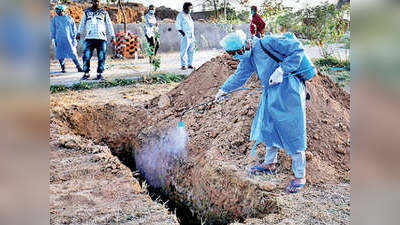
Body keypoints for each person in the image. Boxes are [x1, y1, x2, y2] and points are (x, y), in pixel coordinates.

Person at [215, 30, 316, 193]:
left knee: (293, 130)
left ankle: (299, 175)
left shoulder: (267, 42)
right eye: (231, 55)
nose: (235, 57)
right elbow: (240, 75)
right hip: (271, 91)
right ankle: (270, 163)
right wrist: (224, 90)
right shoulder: (249, 57)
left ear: (243, 46)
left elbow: (296, 49)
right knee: (268, 127)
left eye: (235, 53)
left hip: (289, 89)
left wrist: (281, 70)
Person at [76, 0, 115, 80]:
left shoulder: (104, 12)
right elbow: (82, 23)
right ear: (92, 2)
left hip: (101, 38)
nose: (96, 3)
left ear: (99, 2)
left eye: (97, 1)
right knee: (86, 56)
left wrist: (112, 36)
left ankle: (99, 73)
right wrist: (79, 33)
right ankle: (86, 73)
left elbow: (109, 24)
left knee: (101, 57)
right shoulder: (86, 12)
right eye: (94, 1)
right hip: (89, 38)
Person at [51, 5, 83, 73]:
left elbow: (74, 29)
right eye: (56, 10)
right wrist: (53, 39)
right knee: (60, 54)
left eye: (58, 10)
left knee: (73, 53)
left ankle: (78, 67)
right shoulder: (55, 19)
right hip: (59, 39)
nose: (57, 11)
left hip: (69, 39)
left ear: (63, 10)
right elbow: (53, 29)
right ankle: (63, 68)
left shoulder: (69, 18)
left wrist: (75, 39)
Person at [175, 2, 195, 70]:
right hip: (185, 35)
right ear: (186, 8)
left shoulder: (188, 15)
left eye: (191, 8)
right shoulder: (180, 15)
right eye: (190, 8)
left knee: (191, 50)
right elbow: (177, 25)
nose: (191, 9)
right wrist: (183, 34)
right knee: (184, 50)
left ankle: (190, 64)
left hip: (191, 35)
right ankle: (183, 65)